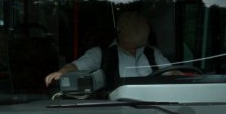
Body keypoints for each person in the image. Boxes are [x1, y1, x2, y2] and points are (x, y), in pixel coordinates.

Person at [44, 10, 174, 88]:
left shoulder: (152, 53)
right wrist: (61, 72)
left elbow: (171, 72)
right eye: (135, 27)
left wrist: (183, 76)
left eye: (142, 26)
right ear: (120, 30)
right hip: (114, 112)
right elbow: (76, 66)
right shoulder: (101, 54)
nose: (140, 31)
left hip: (153, 109)